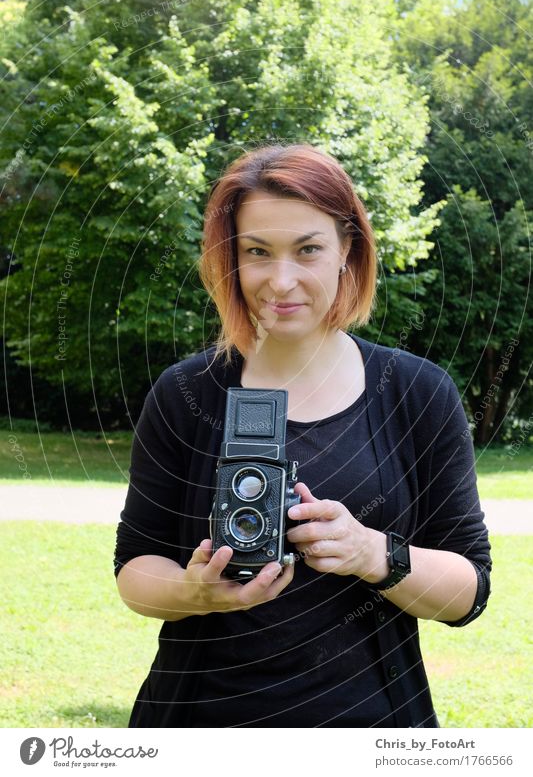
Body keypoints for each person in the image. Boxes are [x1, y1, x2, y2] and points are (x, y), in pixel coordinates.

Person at [114, 143, 492, 728]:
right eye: (257, 251)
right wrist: (197, 593)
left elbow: (468, 592)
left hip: (372, 728)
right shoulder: (184, 393)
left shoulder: (417, 394)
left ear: (348, 249)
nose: (280, 280)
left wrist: (373, 554)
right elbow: (135, 569)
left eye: (308, 250)